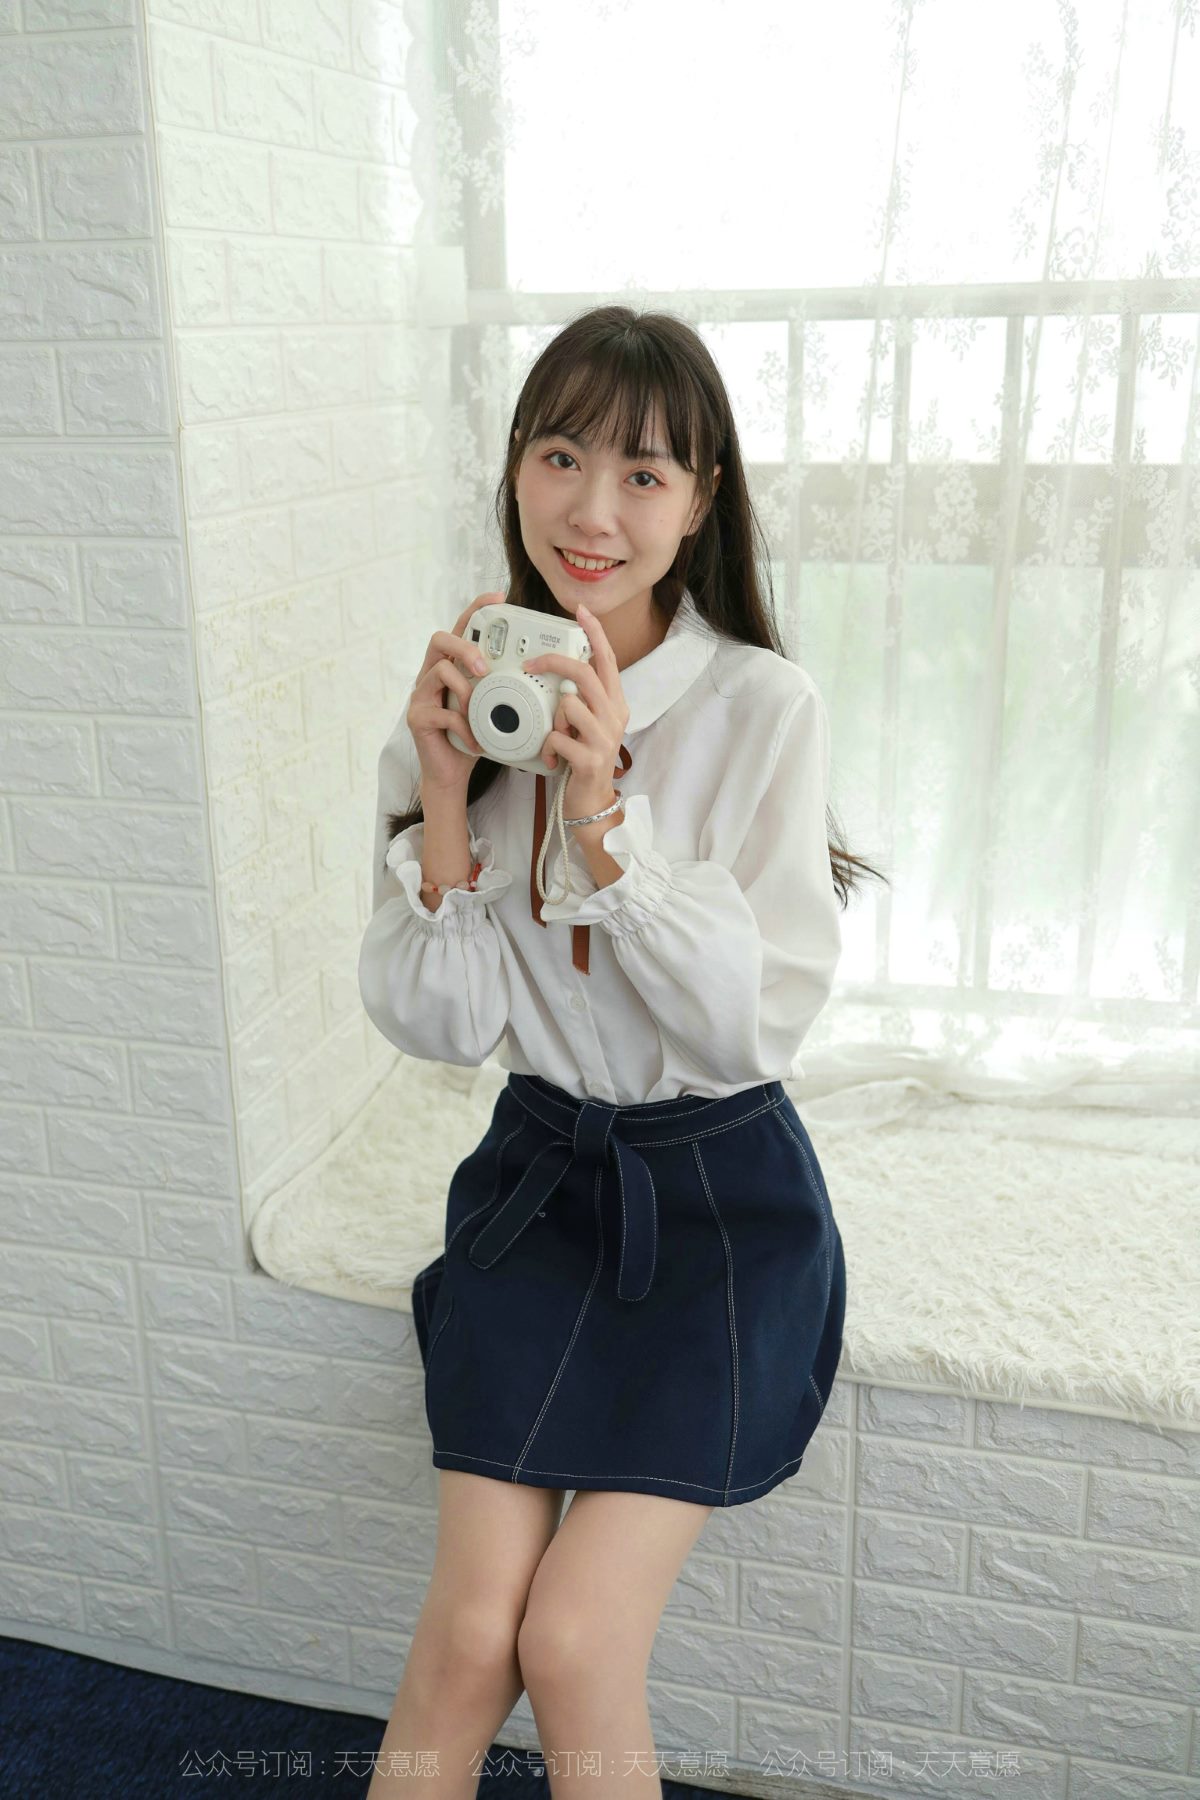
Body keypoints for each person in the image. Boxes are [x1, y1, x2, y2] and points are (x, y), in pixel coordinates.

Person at [358, 306, 886, 1800]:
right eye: (560, 457)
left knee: (576, 1637)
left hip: (718, 1204)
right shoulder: (461, 703)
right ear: (514, 471)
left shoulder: (760, 706)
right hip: (538, 1185)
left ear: (701, 500)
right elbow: (441, 1030)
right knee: (472, 1635)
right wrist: (447, 795)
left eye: (644, 475)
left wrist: (602, 816)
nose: (593, 511)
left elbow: (750, 1028)